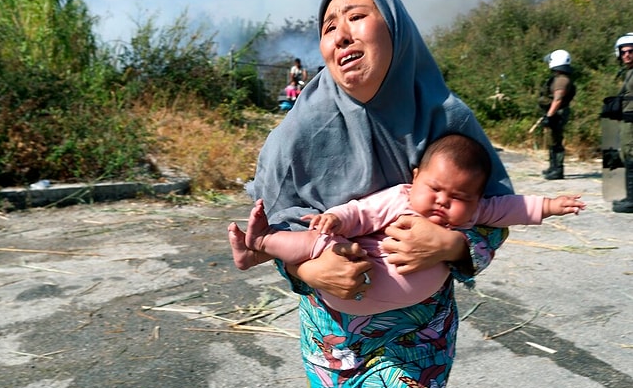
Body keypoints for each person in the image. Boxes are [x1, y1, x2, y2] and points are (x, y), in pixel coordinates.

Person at [237, 0, 514, 388]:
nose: (341, 33)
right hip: (332, 339)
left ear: (396, 31)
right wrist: (306, 271)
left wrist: (449, 245)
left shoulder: (446, 119)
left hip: (417, 334)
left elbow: (496, 216)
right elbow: (272, 235)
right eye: (328, 27)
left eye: (357, 17)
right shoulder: (296, 134)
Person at [229, 133, 585, 315]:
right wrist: (335, 218)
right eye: (434, 189)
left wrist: (552, 205)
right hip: (343, 284)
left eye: (459, 197)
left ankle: (257, 248)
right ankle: (259, 246)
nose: (444, 201)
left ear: (476, 201)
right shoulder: (400, 197)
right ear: (415, 179)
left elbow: (511, 208)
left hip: (411, 334)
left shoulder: (473, 215)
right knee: (312, 242)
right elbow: (362, 212)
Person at [537, 49, 577, 180]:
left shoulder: (561, 80)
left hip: (557, 113)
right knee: (552, 140)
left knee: (556, 141)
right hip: (555, 113)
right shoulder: (560, 78)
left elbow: (558, 99)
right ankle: (552, 167)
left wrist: (549, 115)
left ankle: (558, 169)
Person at [612, 33, 633, 213]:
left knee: (631, 158)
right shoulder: (629, 73)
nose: (626, 55)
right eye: (623, 51)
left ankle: (631, 200)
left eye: (631, 51)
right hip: (627, 122)